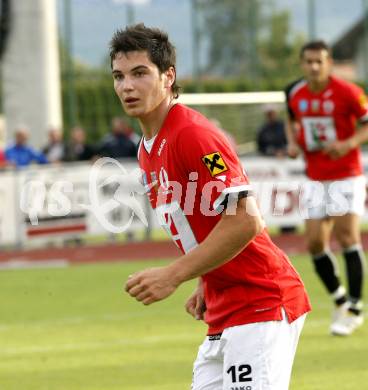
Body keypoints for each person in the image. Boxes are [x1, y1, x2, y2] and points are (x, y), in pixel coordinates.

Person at [112, 24, 311, 390]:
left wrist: (174, 274)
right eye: (119, 76)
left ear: (168, 76)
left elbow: (245, 220)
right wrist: (207, 278)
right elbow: (202, 222)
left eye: (140, 73)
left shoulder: (192, 134)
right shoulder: (146, 149)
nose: (127, 86)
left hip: (261, 301)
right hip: (224, 309)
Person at [285, 40, 368, 336]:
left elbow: (366, 124)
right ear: (302, 63)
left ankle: (356, 307)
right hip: (315, 176)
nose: (314, 66)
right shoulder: (295, 92)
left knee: (347, 236)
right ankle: (340, 299)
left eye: (319, 61)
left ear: (329, 62)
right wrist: (293, 142)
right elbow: (291, 118)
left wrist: (347, 143)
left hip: (346, 174)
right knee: (315, 243)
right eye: (308, 61)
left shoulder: (349, 92)